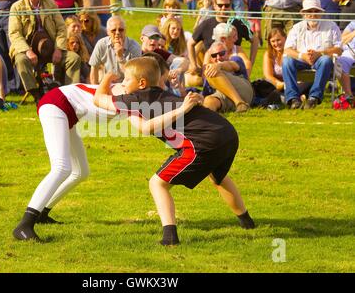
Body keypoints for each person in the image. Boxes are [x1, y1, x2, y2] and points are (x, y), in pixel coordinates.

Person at [93, 56, 255, 246]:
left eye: (127, 79)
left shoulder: (134, 99)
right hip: (227, 133)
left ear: (142, 83)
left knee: (157, 184)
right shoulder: (162, 93)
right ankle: (248, 223)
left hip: (205, 142)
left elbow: (98, 99)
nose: (123, 83)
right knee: (217, 176)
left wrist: (107, 77)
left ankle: (170, 237)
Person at [12, 81, 128, 241]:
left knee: (81, 172)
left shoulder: (134, 96)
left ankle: (42, 213)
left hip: (68, 112)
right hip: (55, 105)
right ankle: (24, 225)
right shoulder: (123, 92)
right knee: (61, 168)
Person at [9, 0, 81, 104]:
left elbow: (61, 28)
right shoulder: (16, 7)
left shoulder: (51, 4)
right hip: (28, 49)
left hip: (51, 47)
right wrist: (27, 51)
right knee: (20, 60)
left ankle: (70, 95)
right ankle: (37, 93)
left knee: (73, 58)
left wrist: (59, 48)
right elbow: (14, 34)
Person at [283, 0, 342, 109]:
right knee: (286, 61)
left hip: (321, 60)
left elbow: (339, 49)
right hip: (301, 59)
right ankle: (293, 99)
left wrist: (320, 53)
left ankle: (314, 98)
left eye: (316, 11)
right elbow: (287, 49)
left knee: (325, 60)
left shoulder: (332, 26)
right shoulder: (296, 28)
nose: (313, 14)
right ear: (304, 13)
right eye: (309, 11)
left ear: (321, 13)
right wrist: (303, 56)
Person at [187, 0, 254, 74]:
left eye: (227, 5)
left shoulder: (238, 24)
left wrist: (251, 62)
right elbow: (190, 43)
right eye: (220, 5)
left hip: (233, 67)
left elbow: (255, 40)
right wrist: (193, 64)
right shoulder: (206, 24)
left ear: (231, 6)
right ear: (214, 6)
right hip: (213, 68)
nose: (223, 8)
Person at [203, 41, 253, 112]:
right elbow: (206, 93)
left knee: (212, 72)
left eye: (221, 54)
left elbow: (232, 65)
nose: (218, 57)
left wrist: (219, 65)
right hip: (226, 96)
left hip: (244, 90)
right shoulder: (209, 73)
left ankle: (239, 102)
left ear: (227, 53)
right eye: (214, 55)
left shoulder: (235, 59)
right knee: (209, 100)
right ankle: (207, 120)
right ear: (211, 58)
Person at [89, 15, 141, 84]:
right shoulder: (101, 44)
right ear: (107, 32)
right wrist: (94, 88)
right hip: (107, 83)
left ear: (125, 31)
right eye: (113, 30)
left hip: (127, 85)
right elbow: (94, 68)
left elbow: (134, 76)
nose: (117, 33)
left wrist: (120, 57)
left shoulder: (135, 47)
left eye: (121, 30)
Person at [335, 20, 355, 103]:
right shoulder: (353, 23)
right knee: (339, 63)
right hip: (351, 51)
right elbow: (342, 40)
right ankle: (348, 96)